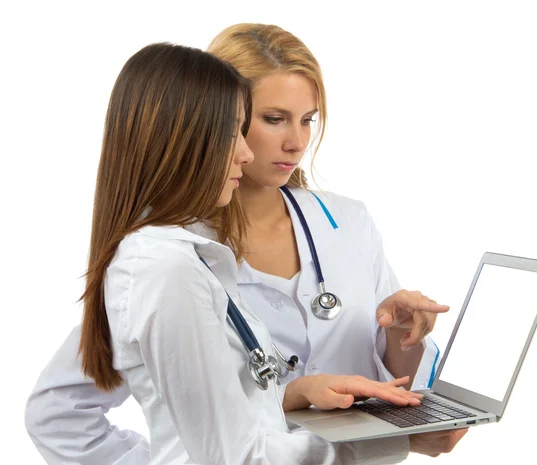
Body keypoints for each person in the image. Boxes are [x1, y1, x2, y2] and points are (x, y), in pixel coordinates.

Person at [25, 25, 467, 464]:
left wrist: (396, 338)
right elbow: (63, 412)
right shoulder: (170, 260)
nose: (296, 142)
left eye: (308, 120)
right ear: (206, 117)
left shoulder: (348, 223)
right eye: (272, 119)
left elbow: (399, 391)